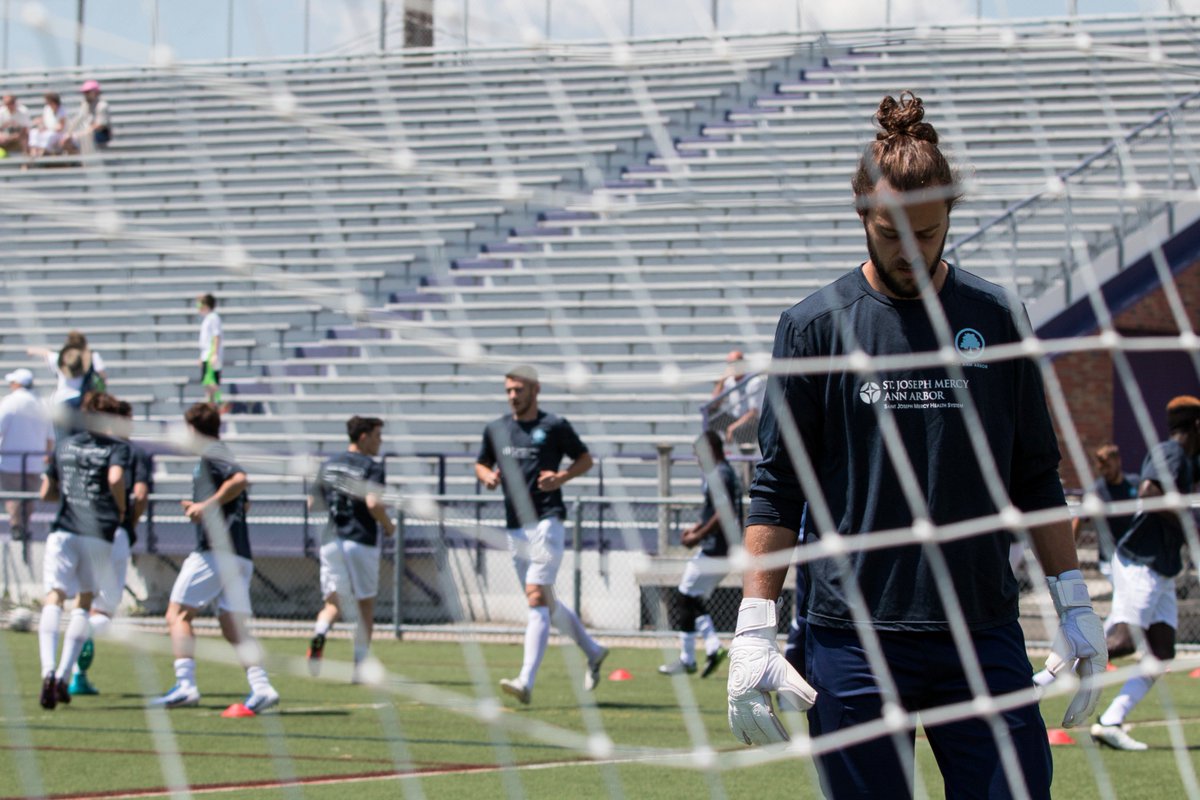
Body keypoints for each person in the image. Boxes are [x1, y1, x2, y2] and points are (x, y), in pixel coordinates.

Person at [725, 92, 1105, 800]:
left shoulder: (997, 317)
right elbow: (777, 488)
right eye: (890, 232)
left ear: (950, 218)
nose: (909, 251)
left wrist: (1075, 603)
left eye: (927, 234)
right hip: (851, 639)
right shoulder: (814, 328)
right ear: (862, 217)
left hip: (981, 629)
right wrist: (753, 626)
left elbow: (1035, 474)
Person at [475, 365, 608, 704]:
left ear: (536, 390)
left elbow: (585, 460)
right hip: (515, 526)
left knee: (536, 596)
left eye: (518, 390)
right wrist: (486, 476)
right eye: (508, 390)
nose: (512, 396)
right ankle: (593, 651)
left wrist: (561, 478)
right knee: (544, 600)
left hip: (547, 521)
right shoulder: (496, 428)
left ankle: (525, 681)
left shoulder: (554, 426)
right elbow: (481, 462)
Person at [152, 403, 279, 713]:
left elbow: (239, 480)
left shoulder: (214, 452)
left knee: (177, 614)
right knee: (233, 625)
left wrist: (205, 506)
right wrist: (204, 506)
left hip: (216, 552)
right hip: (239, 554)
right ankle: (262, 687)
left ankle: (185, 686)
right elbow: (243, 503)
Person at [1090, 397, 1200, 751]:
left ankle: (1110, 721)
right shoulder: (1171, 453)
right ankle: (1040, 680)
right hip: (1142, 564)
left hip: (1162, 569)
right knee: (1123, 641)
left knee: (1162, 651)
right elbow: (1150, 492)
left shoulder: (1188, 460)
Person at [36, 391, 128, 710]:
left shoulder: (65, 445)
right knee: (84, 602)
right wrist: (120, 507)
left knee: (54, 596)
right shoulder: (116, 448)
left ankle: (47, 671)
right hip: (98, 532)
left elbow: (46, 492)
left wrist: (67, 495)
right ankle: (63, 676)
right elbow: (115, 478)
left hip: (64, 529)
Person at [69, 397, 152, 696]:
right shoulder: (131, 452)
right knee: (103, 612)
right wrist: (130, 522)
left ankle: (76, 674)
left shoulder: (83, 446)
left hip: (79, 529)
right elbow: (139, 494)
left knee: (84, 601)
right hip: (113, 532)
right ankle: (76, 653)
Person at [307, 415, 395, 680]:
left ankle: (320, 634)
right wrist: (388, 525)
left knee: (333, 603)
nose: (380, 442)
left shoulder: (329, 464)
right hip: (360, 540)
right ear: (363, 437)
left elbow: (312, 503)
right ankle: (360, 666)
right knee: (364, 605)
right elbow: (373, 503)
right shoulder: (371, 467)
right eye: (377, 436)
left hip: (331, 541)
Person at [659, 429, 740, 678]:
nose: (697, 459)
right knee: (691, 596)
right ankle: (712, 647)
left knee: (684, 595)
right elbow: (715, 511)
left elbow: (724, 512)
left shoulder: (720, 474)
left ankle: (688, 659)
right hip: (720, 547)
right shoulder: (722, 472)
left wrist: (698, 536)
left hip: (718, 549)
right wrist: (696, 528)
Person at [0, 368, 54, 541]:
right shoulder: (42, 404)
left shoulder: (10, 402)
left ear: (17, 384)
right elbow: (50, 436)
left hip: (11, 460)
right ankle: (24, 526)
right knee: (29, 498)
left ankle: (17, 527)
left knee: (13, 496)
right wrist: (47, 455)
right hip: (34, 461)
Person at [1074, 443, 1138, 583]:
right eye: (1101, 468)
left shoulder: (1136, 484)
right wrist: (1070, 550)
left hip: (1136, 555)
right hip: (1110, 558)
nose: (1105, 472)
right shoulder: (1095, 491)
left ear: (1118, 461)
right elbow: (1079, 519)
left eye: (1108, 466)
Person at [707, 350, 765, 448]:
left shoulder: (754, 382)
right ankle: (718, 447)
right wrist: (722, 380)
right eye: (729, 364)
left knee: (744, 426)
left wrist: (732, 428)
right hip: (734, 419)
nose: (732, 367)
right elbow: (714, 404)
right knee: (711, 414)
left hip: (751, 422)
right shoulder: (729, 381)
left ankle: (745, 448)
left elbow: (753, 412)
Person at [64, 80, 111, 153]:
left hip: (100, 133)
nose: (85, 95)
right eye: (85, 92)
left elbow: (100, 125)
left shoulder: (102, 106)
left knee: (83, 137)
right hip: (88, 130)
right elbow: (79, 118)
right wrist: (68, 133)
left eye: (88, 92)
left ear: (95, 92)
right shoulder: (85, 104)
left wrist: (81, 133)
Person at [197, 294, 223, 404]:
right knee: (207, 383)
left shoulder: (213, 318)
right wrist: (201, 356)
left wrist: (214, 354)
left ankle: (220, 402)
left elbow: (216, 336)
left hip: (210, 354)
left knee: (211, 382)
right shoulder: (207, 319)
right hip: (206, 354)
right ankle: (211, 404)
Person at [27, 92, 67, 158]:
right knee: (33, 132)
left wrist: (47, 128)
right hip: (47, 131)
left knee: (49, 135)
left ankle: (40, 154)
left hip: (58, 134)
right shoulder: (47, 108)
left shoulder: (62, 111)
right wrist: (40, 125)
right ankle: (33, 154)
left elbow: (61, 127)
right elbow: (44, 120)